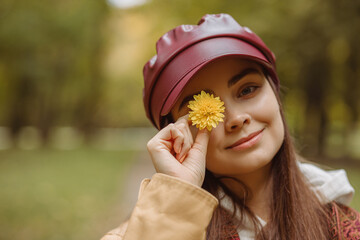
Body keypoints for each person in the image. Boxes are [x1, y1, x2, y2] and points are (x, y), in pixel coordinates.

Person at [102, 13, 359, 240]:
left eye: (247, 90)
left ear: (275, 93)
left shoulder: (343, 224)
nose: (236, 118)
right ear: (174, 134)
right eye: (201, 109)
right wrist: (177, 200)